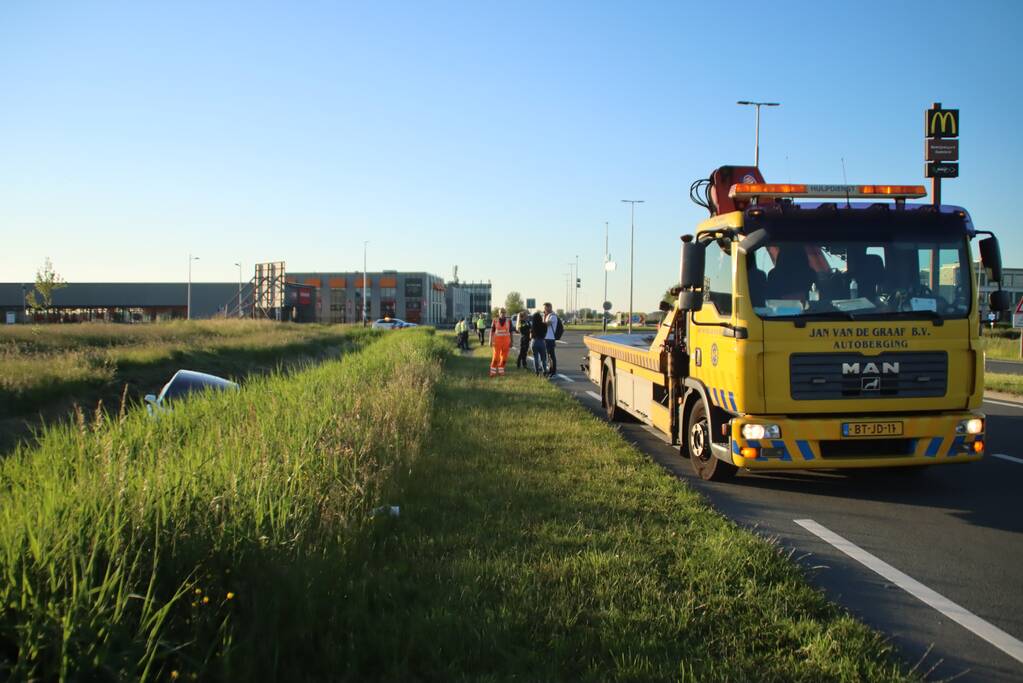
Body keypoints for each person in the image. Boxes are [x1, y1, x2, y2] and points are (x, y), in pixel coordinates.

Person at [489, 308, 513, 377]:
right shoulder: (495, 321)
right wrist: (490, 341)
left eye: (503, 312)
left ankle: (501, 372)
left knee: (504, 358)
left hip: (506, 342)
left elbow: (511, 332)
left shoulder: (509, 321)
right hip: (497, 342)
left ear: (505, 313)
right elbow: (492, 331)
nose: (502, 314)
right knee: (496, 358)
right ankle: (492, 373)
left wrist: (512, 341)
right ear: (498, 313)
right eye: (501, 313)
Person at [543, 302, 559, 378]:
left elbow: (547, 324)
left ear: (550, 307)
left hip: (550, 338)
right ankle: (550, 369)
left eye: (546, 308)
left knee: (551, 355)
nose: (544, 309)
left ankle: (553, 371)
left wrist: (540, 321)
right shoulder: (547, 315)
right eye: (544, 308)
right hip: (547, 338)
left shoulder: (553, 316)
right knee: (549, 356)